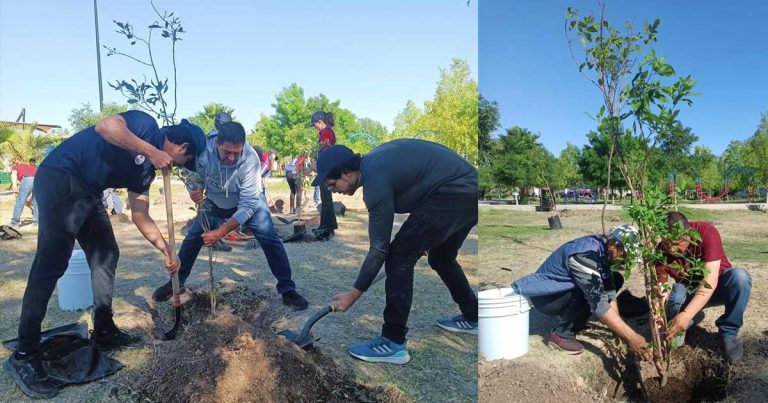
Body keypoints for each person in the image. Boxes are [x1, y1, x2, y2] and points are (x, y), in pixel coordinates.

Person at [4, 111, 205, 399]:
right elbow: (106, 126)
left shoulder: (145, 172)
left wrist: (166, 249)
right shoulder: (145, 126)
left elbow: (140, 214)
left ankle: (104, 329)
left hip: (89, 191)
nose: (179, 166)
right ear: (182, 149)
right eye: (185, 161)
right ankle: (25, 354)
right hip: (61, 176)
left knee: (106, 253)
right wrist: (151, 151)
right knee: (52, 262)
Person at [316, 140, 478, 365]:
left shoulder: (375, 182)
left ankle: (392, 342)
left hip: (454, 191)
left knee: (400, 256)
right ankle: (474, 315)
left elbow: (379, 249)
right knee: (441, 257)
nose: (333, 191)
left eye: (332, 184)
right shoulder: (373, 166)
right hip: (469, 190)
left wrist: (352, 296)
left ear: (347, 172)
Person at [151, 121, 309, 311]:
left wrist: (220, 232)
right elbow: (193, 175)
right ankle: (176, 283)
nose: (232, 157)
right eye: (227, 152)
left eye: (237, 152)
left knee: (269, 237)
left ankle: (287, 289)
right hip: (215, 200)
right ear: (217, 143)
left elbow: (248, 205)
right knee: (193, 237)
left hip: (248, 201)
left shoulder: (250, 160)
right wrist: (195, 189)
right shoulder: (202, 152)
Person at [512, 225, 654, 363]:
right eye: (624, 253)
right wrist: (631, 337)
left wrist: (618, 328)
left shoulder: (602, 248)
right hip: (547, 298)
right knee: (589, 292)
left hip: (562, 289)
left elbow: (609, 290)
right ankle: (562, 335)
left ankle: (574, 319)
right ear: (613, 244)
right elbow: (598, 303)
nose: (624, 259)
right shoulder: (586, 256)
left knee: (615, 278)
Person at [656, 211, 752, 361]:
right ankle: (691, 319)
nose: (671, 249)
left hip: (717, 286)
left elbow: (710, 281)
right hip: (689, 289)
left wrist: (687, 314)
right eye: (666, 243)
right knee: (675, 300)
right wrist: (658, 317)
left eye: (676, 243)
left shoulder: (706, 233)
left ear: (688, 232)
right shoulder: (660, 251)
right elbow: (660, 291)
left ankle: (728, 333)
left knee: (740, 278)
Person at [310, 111, 338, 240]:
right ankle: (323, 225)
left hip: (326, 169)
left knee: (327, 199)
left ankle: (330, 229)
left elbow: (326, 152)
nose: (314, 127)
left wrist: (316, 164)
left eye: (314, 124)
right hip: (323, 169)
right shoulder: (323, 133)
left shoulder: (327, 133)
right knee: (323, 197)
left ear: (320, 122)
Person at [10, 158, 38, 228]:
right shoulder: (32, 167)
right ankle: (37, 222)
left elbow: (14, 174)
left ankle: (15, 223)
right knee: (37, 202)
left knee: (20, 201)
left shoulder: (16, 166)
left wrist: (14, 185)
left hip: (27, 180)